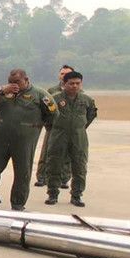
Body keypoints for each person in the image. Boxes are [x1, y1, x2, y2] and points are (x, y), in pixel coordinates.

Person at [0, 68, 57, 211]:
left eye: (17, 82)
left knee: (22, 173)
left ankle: (18, 203)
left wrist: (35, 128)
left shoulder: (40, 95)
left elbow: (53, 114)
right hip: (0, 139)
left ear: (26, 80)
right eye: (11, 82)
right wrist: (3, 91)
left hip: (24, 142)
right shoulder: (1, 91)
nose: (13, 85)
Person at [45, 71, 97, 207]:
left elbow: (91, 114)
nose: (74, 86)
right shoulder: (54, 99)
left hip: (79, 137)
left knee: (80, 166)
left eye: (77, 83)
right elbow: (47, 116)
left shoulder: (87, 100)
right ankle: (52, 194)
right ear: (64, 84)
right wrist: (55, 128)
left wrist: (80, 127)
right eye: (71, 83)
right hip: (58, 135)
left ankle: (77, 195)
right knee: (54, 164)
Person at [35, 65, 74, 188]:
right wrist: (47, 123)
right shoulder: (51, 91)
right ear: (59, 75)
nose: (64, 76)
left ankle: (64, 178)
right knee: (46, 151)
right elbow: (44, 107)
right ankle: (42, 177)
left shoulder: (77, 91)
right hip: (53, 126)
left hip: (69, 128)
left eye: (67, 74)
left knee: (67, 154)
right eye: (62, 73)